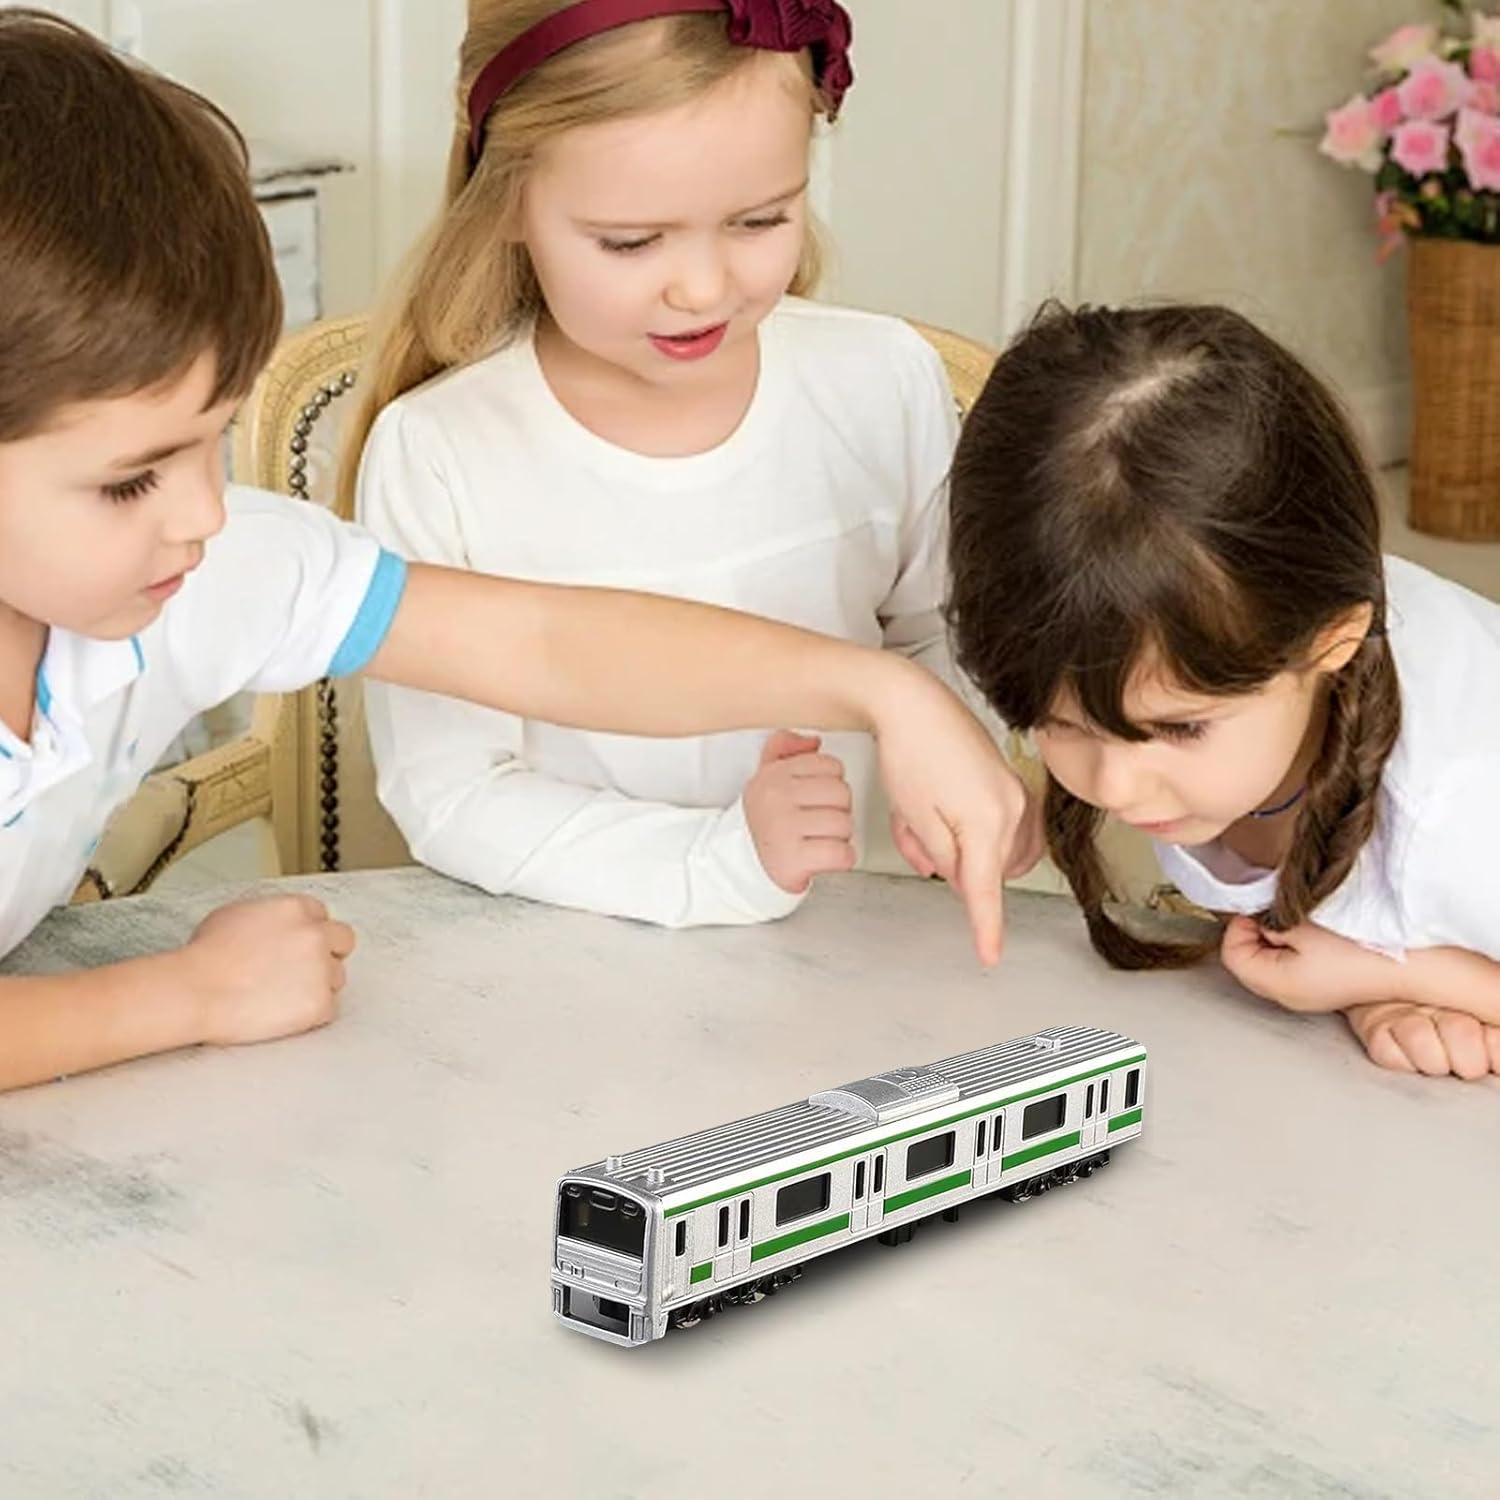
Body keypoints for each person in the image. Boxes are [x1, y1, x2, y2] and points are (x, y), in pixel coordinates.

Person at [0, 9, 1028, 1093]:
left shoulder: (216, 573)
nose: (205, 513)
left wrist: (887, 694)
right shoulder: (410, 461)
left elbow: (546, 644)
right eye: (129, 480)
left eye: (212, 441)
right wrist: (187, 996)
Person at [346, 0, 1033, 928]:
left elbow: (948, 636)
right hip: (579, 958)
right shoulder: (440, 452)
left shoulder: (880, 381)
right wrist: (720, 863)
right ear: (504, 198)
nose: (704, 288)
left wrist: (975, 776)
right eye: (631, 242)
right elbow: (453, 793)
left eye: (759, 220)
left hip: (871, 938)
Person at [945, 300, 1500, 1079]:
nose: (1115, 787)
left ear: (1332, 640)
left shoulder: (1463, 810)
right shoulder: (1246, 637)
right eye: (1061, 722)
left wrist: (1403, 975)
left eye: (1180, 728)